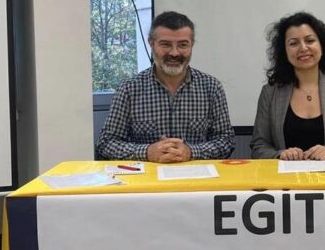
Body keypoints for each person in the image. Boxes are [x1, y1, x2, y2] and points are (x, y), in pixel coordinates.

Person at [97, 11, 235, 163]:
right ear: (151, 44)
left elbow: (226, 141)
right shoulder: (129, 89)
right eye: (166, 44)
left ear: (192, 45)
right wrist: (146, 152)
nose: (174, 53)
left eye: (183, 45)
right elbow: (106, 143)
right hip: (147, 176)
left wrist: (191, 152)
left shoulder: (212, 88)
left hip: (198, 176)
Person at [250, 11, 325, 160]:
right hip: (283, 174)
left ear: (322, 45)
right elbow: (258, 146)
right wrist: (280, 154)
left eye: (310, 41)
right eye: (293, 43)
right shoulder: (270, 92)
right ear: (284, 51)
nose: (303, 48)